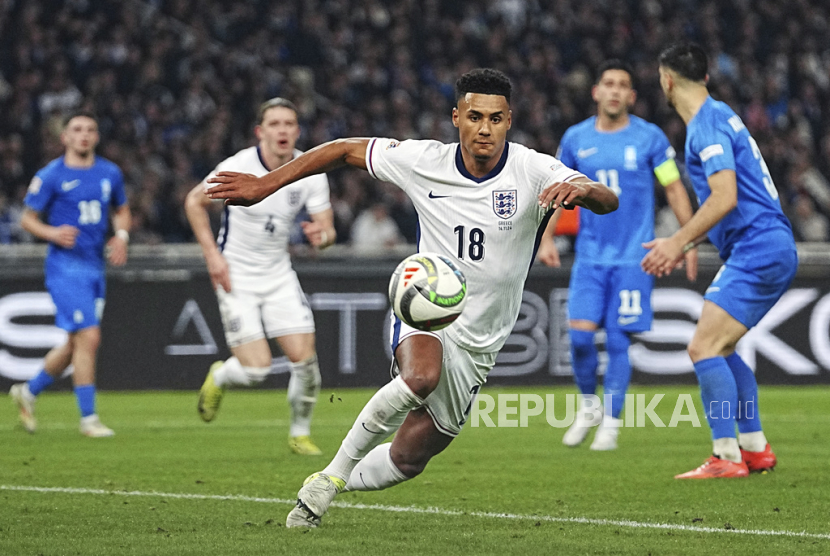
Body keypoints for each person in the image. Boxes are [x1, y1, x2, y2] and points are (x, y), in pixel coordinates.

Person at [206, 68, 618, 527]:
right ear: (456, 116)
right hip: (426, 305)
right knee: (421, 376)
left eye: (496, 119)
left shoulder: (533, 168)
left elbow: (608, 199)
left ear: (509, 120)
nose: (485, 128)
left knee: (409, 459)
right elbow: (343, 150)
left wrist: (583, 189)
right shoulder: (424, 160)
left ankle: (324, 476)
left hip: (482, 341)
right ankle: (330, 483)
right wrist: (267, 184)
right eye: (475, 116)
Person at [643, 43, 797, 479]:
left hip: (758, 246)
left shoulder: (705, 126)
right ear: (705, 78)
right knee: (723, 348)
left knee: (702, 347)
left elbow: (725, 196)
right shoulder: (724, 113)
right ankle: (754, 448)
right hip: (768, 244)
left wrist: (677, 241)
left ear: (667, 80)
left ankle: (725, 456)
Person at [537, 59, 697, 451]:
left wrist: (688, 239)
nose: (614, 90)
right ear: (596, 91)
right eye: (608, 83)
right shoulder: (575, 139)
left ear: (631, 95)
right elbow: (560, 191)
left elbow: (673, 188)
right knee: (579, 340)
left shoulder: (650, 139)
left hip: (633, 257)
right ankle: (589, 406)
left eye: (622, 85)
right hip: (590, 257)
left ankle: (611, 421)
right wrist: (545, 238)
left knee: (620, 340)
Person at [184, 97, 336, 456]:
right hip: (236, 276)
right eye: (275, 124)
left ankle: (299, 434)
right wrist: (212, 257)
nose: (282, 130)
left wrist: (322, 238)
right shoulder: (239, 166)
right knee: (256, 371)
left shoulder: (308, 170)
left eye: (289, 124)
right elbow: (194, 202)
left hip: (279, 275)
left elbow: (328, 231)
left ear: (297, 131)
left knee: (306, 363)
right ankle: (220, 376)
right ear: (260, 131)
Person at [9, 111, 131, 437]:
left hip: (95, 267)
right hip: (65, 267)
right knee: (89, 337)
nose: (84, 135)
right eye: (77, 130)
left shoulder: (110, 173)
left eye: (90, 129)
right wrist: (52, 233)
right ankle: (88, 419)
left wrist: (121, 236)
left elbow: (121, 209)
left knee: (75, 345)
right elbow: (27, 218)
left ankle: (29, 390)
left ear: (97, 136)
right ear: (65, 137)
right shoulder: (51, 175)